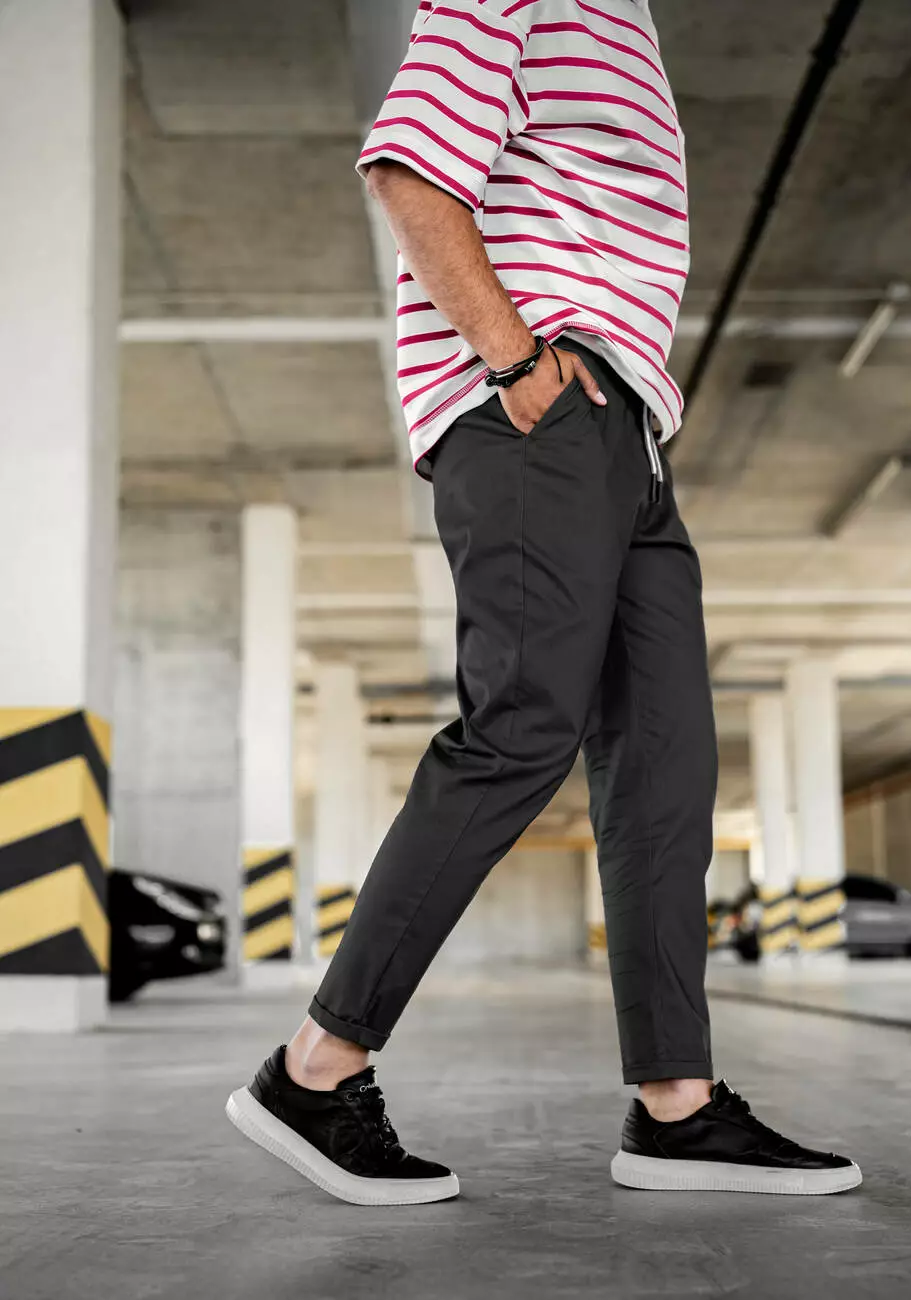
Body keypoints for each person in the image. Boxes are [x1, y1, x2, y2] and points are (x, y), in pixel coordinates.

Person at [226, 0, 861, 1204]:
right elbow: (410, 168)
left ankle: (676, 1105)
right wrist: (516, 362)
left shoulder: (627, 16)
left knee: (667, 759)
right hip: (537, 405)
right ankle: (315, 1067)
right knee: (521, 726)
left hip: (627, 427)